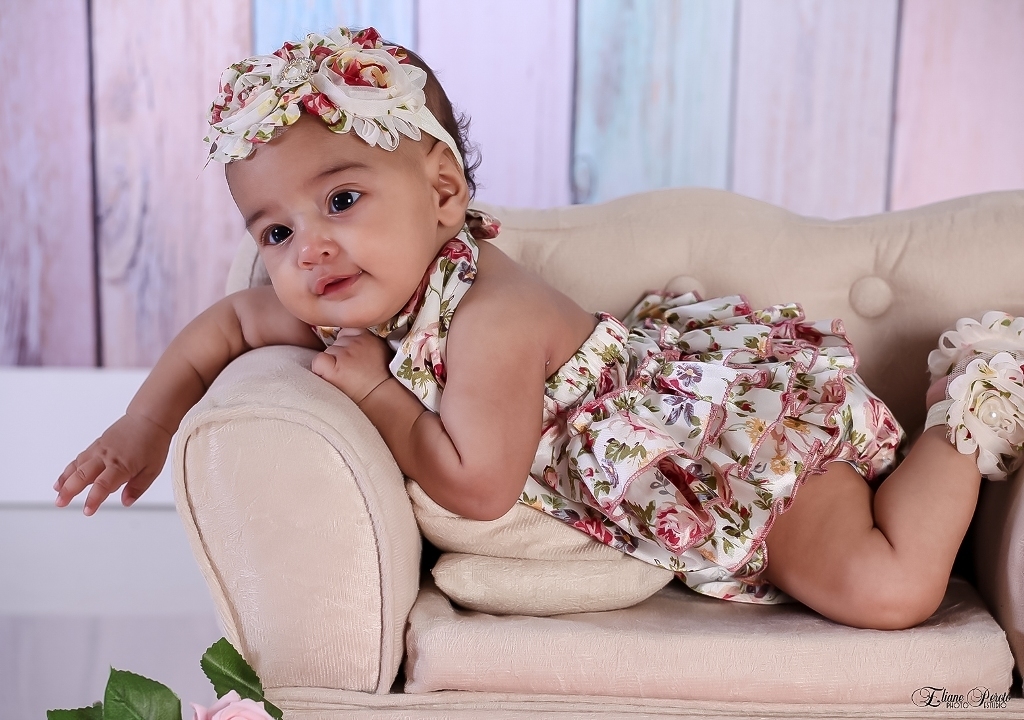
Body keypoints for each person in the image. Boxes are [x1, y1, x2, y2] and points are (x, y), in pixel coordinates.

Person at [54, 27, 1024, 630]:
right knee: (881, 580)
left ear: (442, 193)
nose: (308, 249)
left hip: (732, 459)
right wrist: (146, 425)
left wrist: (381, 394)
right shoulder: (355, 292)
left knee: (890, 590)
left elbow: (477, 485)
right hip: (685, 457)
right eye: (274, 231)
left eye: (341, 200)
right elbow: (228, 325)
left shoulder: (490, 316)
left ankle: (974, 391)